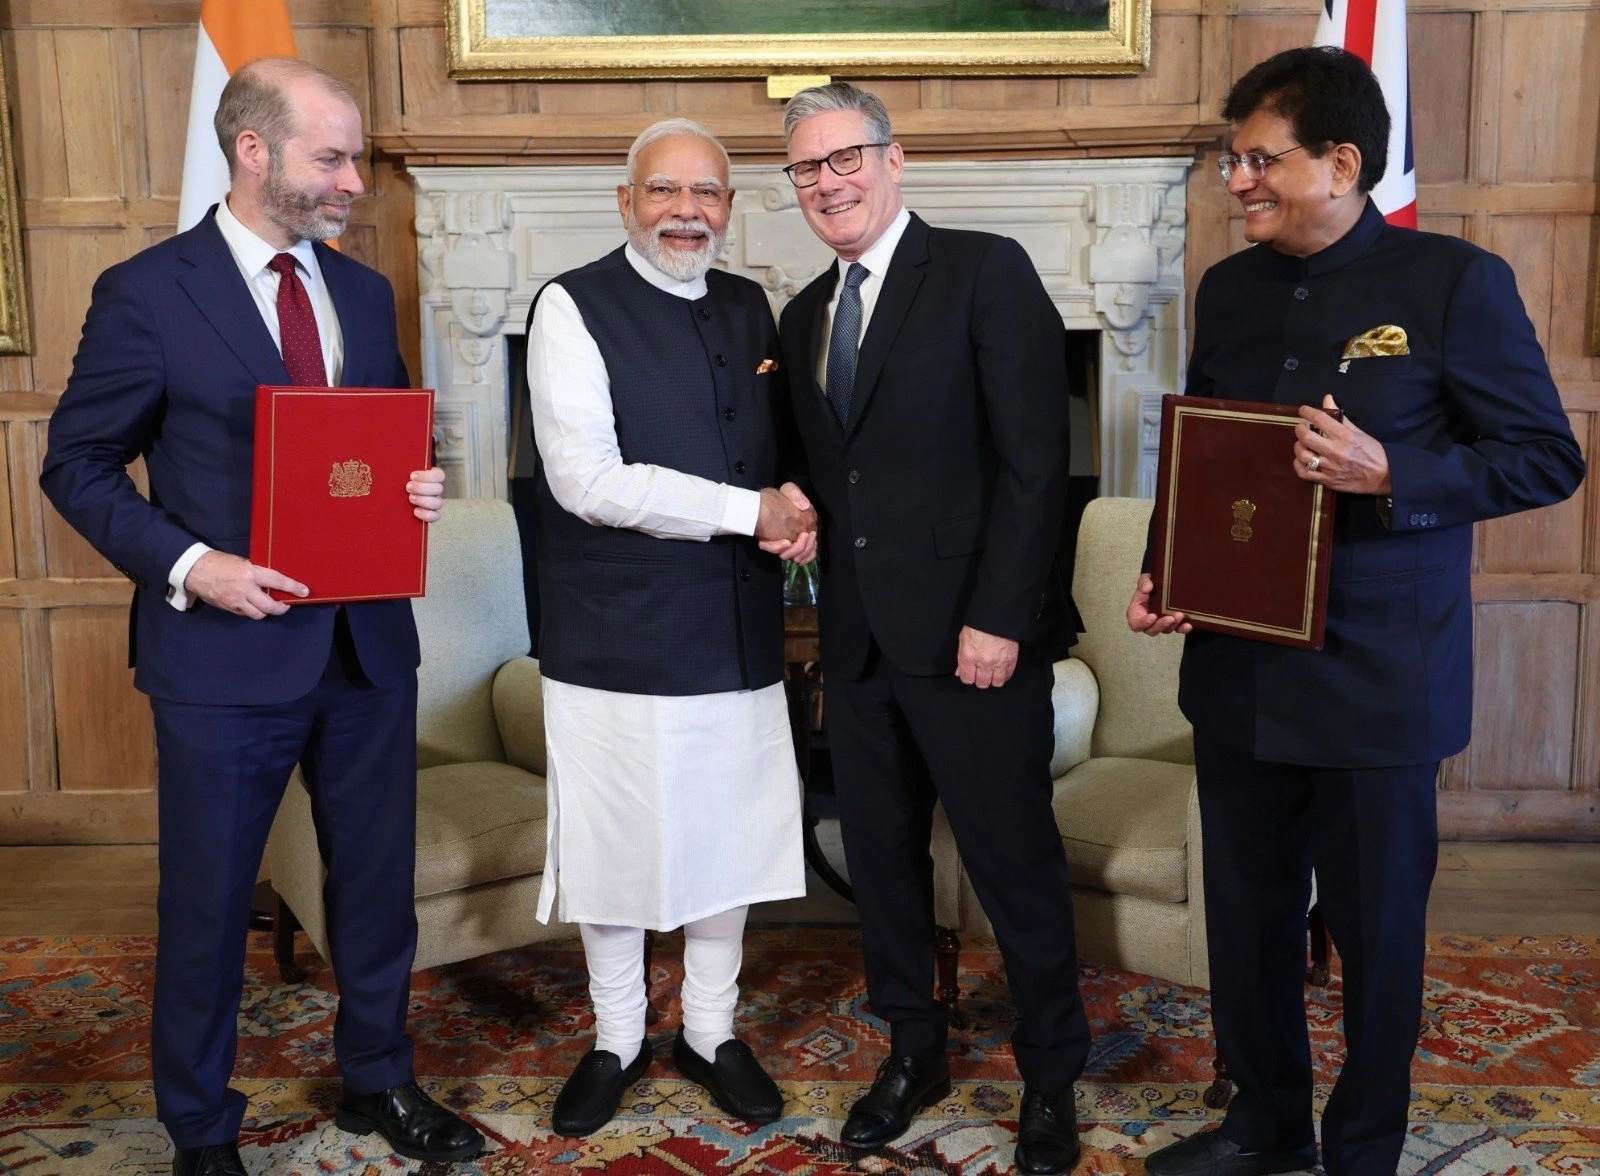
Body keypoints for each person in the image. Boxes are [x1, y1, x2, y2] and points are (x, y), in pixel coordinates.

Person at [1128, 47, 1585, 1176]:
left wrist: (1395, 475)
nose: (1235, 180)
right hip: (1238, 668)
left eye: (1257, 159)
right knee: (1246, 918)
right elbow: (1208, 450)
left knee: (1378, 938)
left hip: (1380, 675)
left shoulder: (1451, 281)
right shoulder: (1226, 288)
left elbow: (1544, 460)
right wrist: (1164, 569)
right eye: (1230, 159)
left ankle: (1364, 1146)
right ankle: (1263, 1125)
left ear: (1340, 164)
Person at [38, 58, 483, 1176]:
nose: (351, 181)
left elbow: (367, 459)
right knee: (207, 901)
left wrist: (416, 485)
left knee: (376, 887)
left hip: (366, 644)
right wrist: (195, 564)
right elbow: (77, 466)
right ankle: (200, 1129)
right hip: (221, 652)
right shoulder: (146, 292)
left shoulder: (364, 290)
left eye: (355, 159)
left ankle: (380, 1077)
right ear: (253, 149)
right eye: (331, 157)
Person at [776, 83, 1091, 1174]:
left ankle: (1052, 1074)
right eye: (806, 170)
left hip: (975, 642)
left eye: (844, 159)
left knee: (1013, 864)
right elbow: (827, 470)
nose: (827, 183)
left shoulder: (981, 269)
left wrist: (1000, 617)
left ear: (893, 159)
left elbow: (1033, 463)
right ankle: (912, 1052)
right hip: (859, 648)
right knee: (883, 865)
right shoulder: (804, 313)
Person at [524, 117, 816, 1138]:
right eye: (664, 192)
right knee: (615, 844)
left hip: (731, 626)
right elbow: (587, 481)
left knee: (726, 837)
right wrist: (753, 514)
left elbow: (774, 453)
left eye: (708, 195)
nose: (687, 212)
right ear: (626, 202)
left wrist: (793, 501)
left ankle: (709, 1030)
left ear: (729, 210)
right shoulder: (570, 304)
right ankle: (614, 1037)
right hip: (611, 629)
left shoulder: (749, 308)